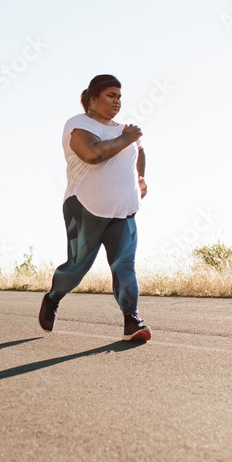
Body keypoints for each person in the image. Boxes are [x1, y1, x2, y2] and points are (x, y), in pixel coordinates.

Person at [38, 74, 151, 342]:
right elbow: (92, 154)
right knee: (77, 267)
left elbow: (140, 151)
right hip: (84, 208)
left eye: (120, 97)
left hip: (123, 211)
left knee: (124, 265)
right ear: (92, 98)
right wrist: (127, 138)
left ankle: (131, 320)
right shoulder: (79, 124)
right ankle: (53, 298)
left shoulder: (126, 130)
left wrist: (140, 177)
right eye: (111, 95)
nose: (117, 101)